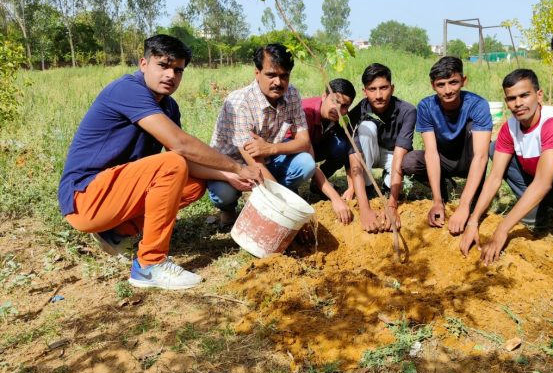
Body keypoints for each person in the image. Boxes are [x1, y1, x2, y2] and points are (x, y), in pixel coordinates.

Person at [58, 35, 261, 290]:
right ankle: (149, 266)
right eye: (162, 65)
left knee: (195, 182)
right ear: (144, 64)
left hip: (115, 192)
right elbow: (181, 146)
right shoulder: (127, 90)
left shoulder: (168, 106)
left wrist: (226, 176)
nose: (170, 75)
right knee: (173, 163)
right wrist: (237, 167)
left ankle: (117, 233)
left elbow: (186, 161)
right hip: (85, 198)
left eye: (178, 69)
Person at [460, 69, 553, 272]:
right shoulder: (510, 127)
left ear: (538, 95)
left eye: (525, 95)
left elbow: (543, 182)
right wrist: (473, 221)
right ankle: (537, 212)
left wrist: (502, 230)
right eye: (511, 98)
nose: (518, 103)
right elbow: (494, 177)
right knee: (494, 149)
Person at [208, 43, 315, 226]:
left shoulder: (293, 94)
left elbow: (304, 141)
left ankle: (278, 191)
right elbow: (254, 162)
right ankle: (229, 209)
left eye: (284, 76)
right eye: (271, 75)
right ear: (257, 73)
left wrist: (271, 148)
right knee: (222, 194)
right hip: (233, 164)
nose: (278, 82)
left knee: (306, 163)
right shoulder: (240, 102)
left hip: (268, 156)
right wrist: (285, 210)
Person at [402, 56, 493, 233]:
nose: (448, 90)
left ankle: (472, 193)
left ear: (463, 81)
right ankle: (443, 190)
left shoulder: (477, 104)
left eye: (453, 82)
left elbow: (481, 156)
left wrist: (463, 206)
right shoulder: (426, 106)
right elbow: (431, 153)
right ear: (433, 85)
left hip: (470, 159)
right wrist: (436, 201)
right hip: (443, 159)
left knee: (475, 132)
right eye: (441, 84)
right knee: (410, 161)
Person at [345, 63, 416, 233]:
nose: (378, 95)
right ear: (364, 91)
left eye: (383, 88)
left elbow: (399, 154)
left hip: (393, 155)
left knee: (403, 187)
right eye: (372, 89)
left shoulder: (408, 111)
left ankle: (386, 182)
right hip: (368, 153)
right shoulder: (357, 112)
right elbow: (354, 157)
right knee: (366, 128)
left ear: (392, 88)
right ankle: (367, 186)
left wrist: (392, 205)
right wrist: (364, 209)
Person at [300, 78, 357, 224]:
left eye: (344, 106)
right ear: (324, 96)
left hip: (315, 146)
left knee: (342, 146)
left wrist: (352, 187)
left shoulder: (339, 117)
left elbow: (349, 152)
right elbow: (309, 159)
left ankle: (318, 185)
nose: (338, 109)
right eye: (335, 101)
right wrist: (336, 199)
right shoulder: (306, 112)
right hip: (295, 152)